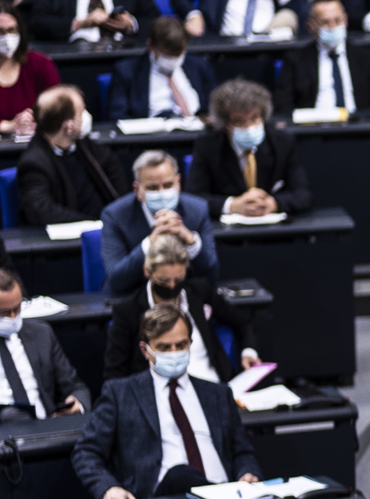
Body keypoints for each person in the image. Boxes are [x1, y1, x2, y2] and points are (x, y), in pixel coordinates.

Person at [71, 304, 260, 499]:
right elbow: (86, 451)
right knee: (179, 475)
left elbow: (242, 451)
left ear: (191, 343)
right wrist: (108, 488)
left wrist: (247, 473)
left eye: (181, 345)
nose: (174, 353)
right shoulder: (120, 394)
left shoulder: (218, 394)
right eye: (164, 347)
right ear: (145, 350)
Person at [104, 236, 257, 383]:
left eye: (178, 280)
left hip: (213, 385)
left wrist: (248, 351)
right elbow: (115, 374)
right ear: (147, 271)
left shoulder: (200, 292)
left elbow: (241, 321)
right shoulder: (127, 312)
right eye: (163, 281)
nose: (171, 286)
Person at [187, 78, 312, 218]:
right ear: (225, 125)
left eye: (254, 118)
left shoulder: (282, 142)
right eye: (239, 121)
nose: (249, 127)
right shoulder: (207, 146)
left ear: (263, 116)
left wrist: (273, 204)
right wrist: (232, 205)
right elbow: (194, 198)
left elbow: (303, 194)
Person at [102, 149, 218, 294]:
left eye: (168, 185)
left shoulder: (197, 210)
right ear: (137, 189)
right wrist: (150, 242)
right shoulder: (115, 215)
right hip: (133, 300)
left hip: (181, 297)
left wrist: (190, 241)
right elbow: (116, 279)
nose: (162, 192)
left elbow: (211, 275)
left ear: (178, 182)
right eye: (152, 188)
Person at [16, 85, 130, 226]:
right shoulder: (34, 163)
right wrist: (92, 223)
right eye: (81, 112)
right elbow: (41, 210)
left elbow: (115, 178)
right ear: (69, 126)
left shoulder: (85, 145)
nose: (86, 117)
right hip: (72, 238)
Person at [0, 267, 87, 423]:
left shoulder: (41, 333)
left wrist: (77, 403)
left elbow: (76, 387)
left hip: (48, 430)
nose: (13, 317)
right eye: (5, 313)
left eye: (18, 309)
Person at [277, 0, 370, 113]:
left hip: (356, 126)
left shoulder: (364, 56)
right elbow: (284, 104)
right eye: (325, 22)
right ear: (311, 26)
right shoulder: (296, 59)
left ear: (345, 21)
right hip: (312, 127)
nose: (333, 27)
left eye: (338, 20)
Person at [105, 16, 216, 122]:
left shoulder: (199, 65)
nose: (173, 60)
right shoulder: (126, 71)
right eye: (167, 55)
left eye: (178, 55)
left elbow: (214, 109)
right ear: (151, 46)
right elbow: (118, 116)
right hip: (149, 139)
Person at [0, 5, 60, 139]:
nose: (7, 38)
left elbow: (57, 106)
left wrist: (33, 121)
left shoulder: (40, 64)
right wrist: (8, 126)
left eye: (12, 30)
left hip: (37, 143)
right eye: (0, 32)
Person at [185, 0, 300, 38]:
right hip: (222, 47)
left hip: (266, 47)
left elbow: (298, 8)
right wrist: (193, 15)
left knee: (288, 16)